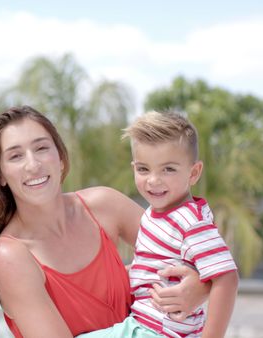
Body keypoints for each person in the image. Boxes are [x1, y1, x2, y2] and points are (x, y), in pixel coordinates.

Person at [0, 105, 210, 337]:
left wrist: (200, 287)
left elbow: (201, 250)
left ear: (60, 158)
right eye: (16, 156)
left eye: (41, 148)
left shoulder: (104, 205)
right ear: (1, 176)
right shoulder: (10, 256)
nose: (33, 164)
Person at [79, 111, 238, 337]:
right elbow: (154, 269)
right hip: (144, 325)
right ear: (133, 167)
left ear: (194, 173)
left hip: (156, 331)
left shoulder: (190, 221)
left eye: (168, 169)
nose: (153, 180)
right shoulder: (155, 215)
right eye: (143, 169)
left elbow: (228, 279)